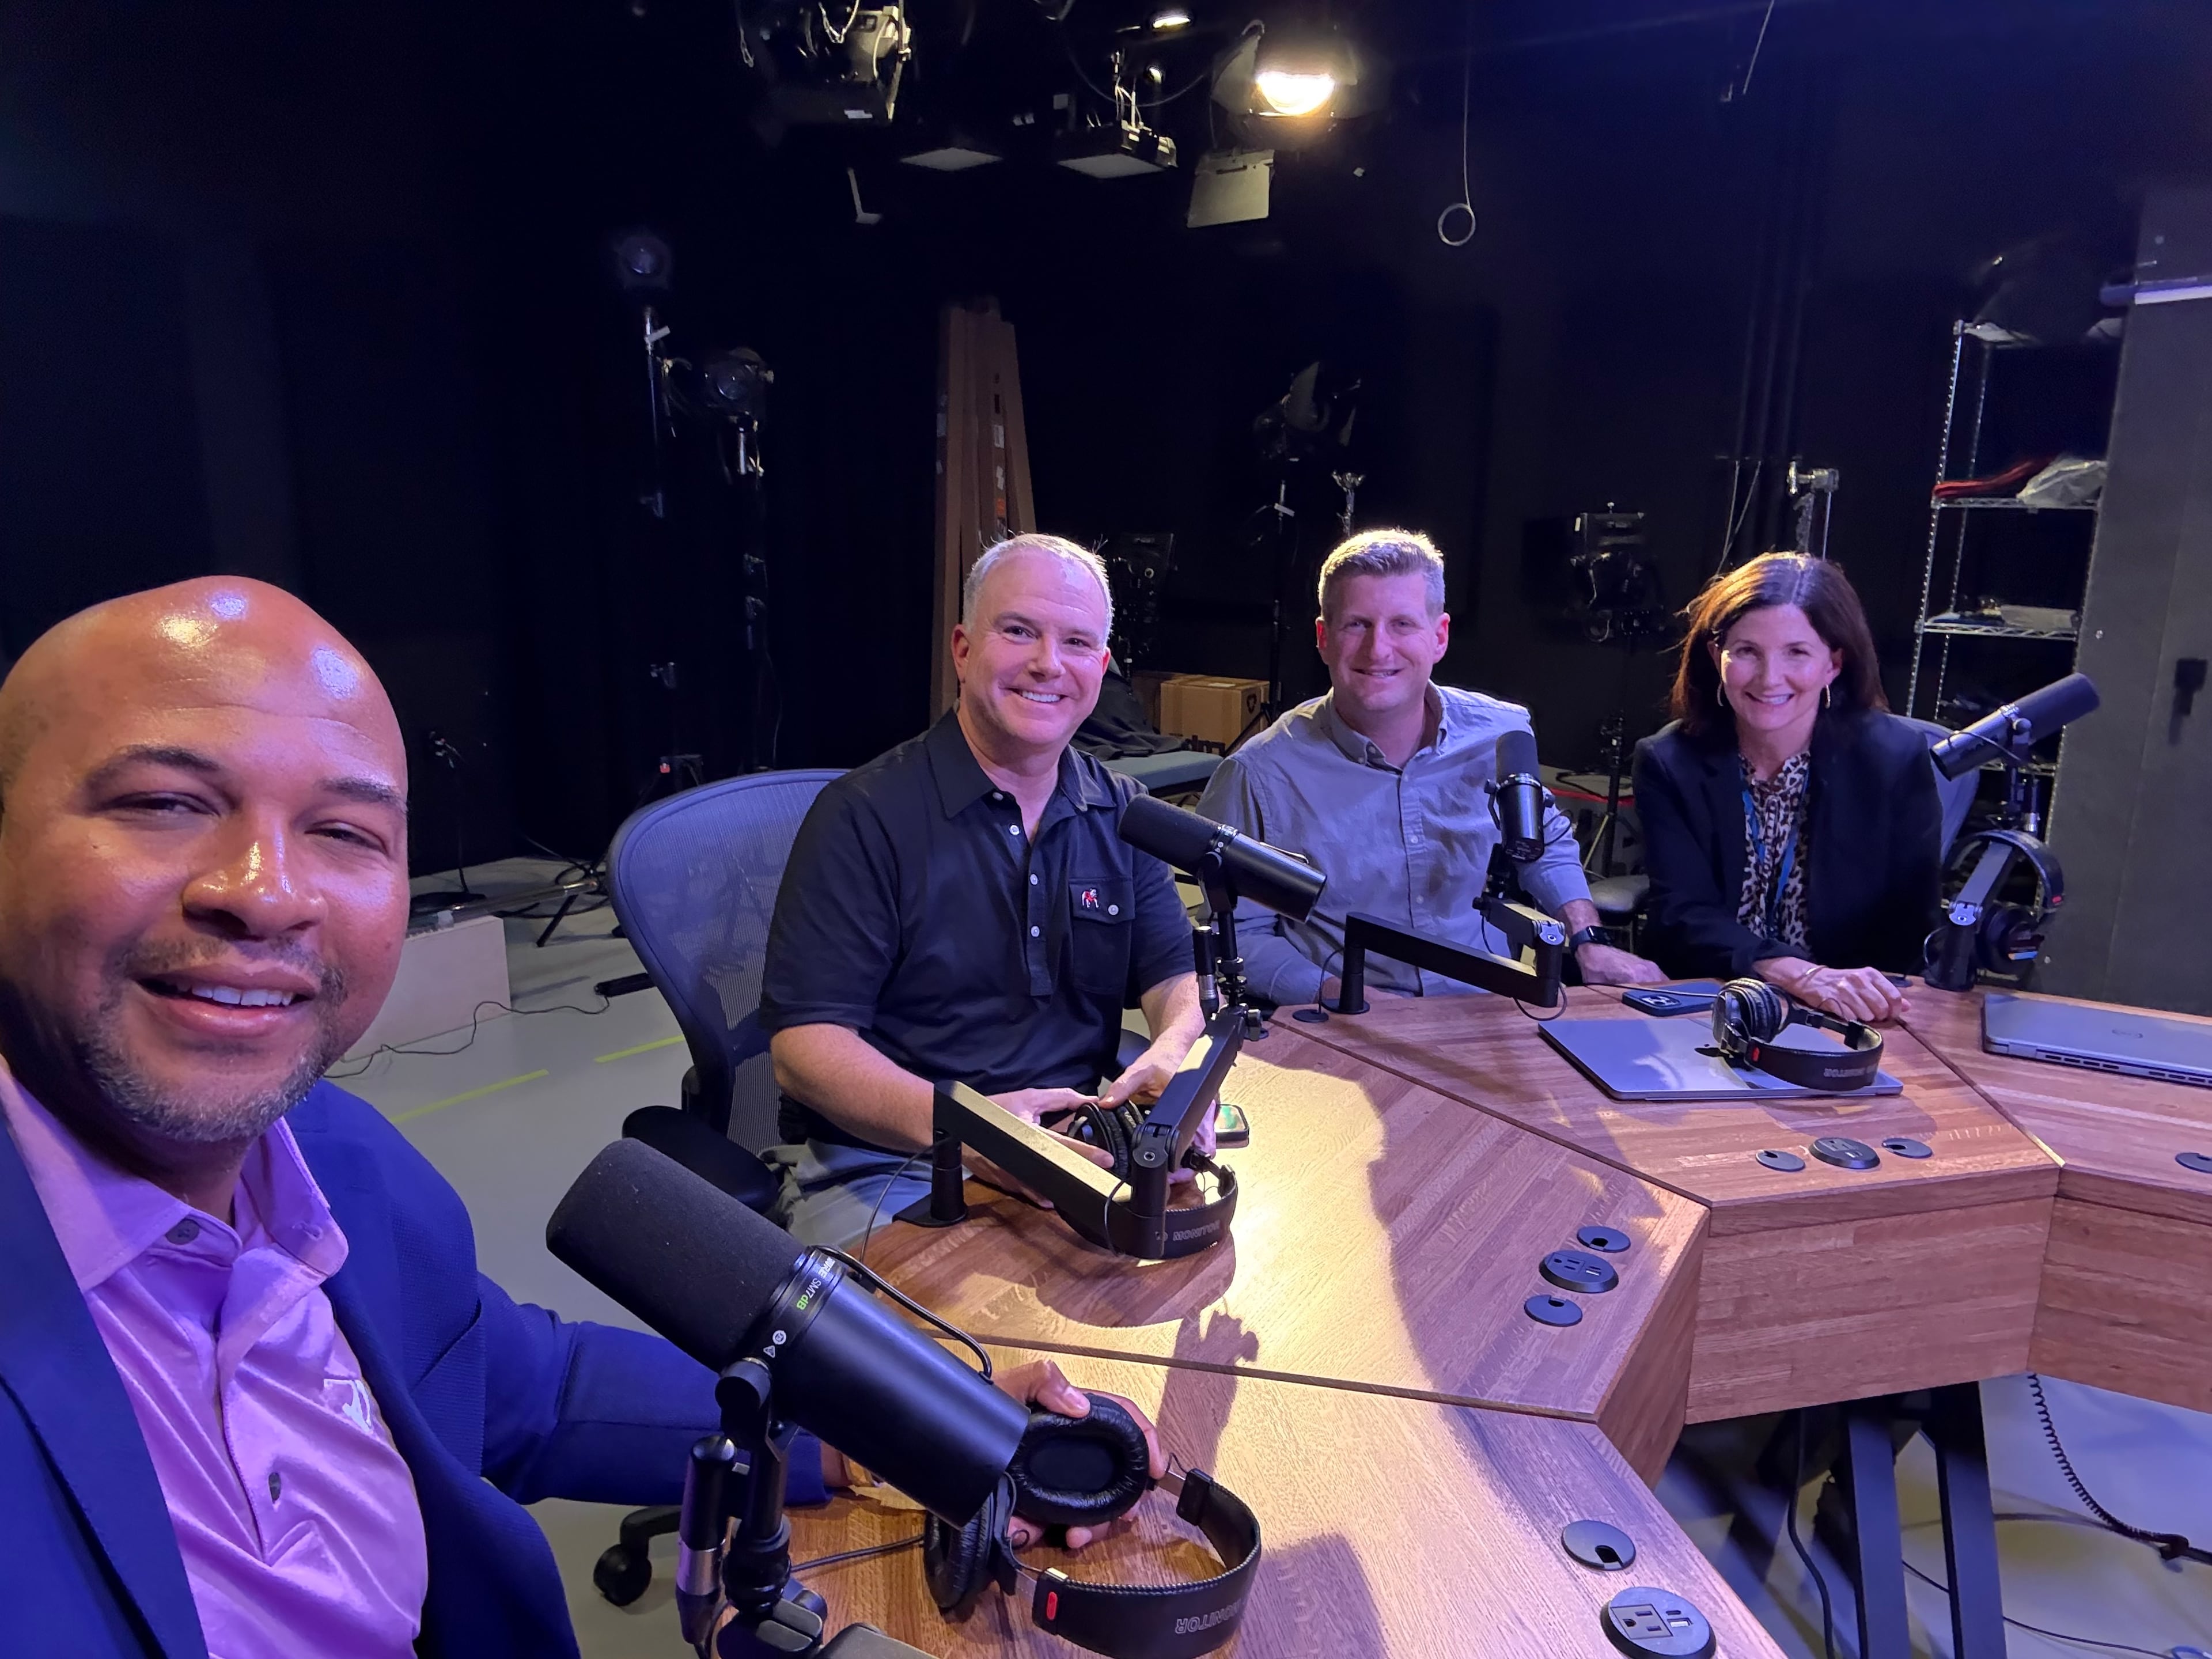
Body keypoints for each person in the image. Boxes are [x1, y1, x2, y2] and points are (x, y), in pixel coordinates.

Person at [0, 578, 1161, 1659]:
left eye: (344, 831)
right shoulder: (874, 812)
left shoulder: (341, 1161)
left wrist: (905, 1423)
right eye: (162, 804)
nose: (264, 891)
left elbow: (536, 1390)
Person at [761, 535, 1207, 1248]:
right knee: (925, 1323)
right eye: (1019, 631)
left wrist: (1174, 1055)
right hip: (893, 1162)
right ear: (963, 650)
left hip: (1073, 1141)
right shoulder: (863, 816)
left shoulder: (1123, 813)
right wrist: (972, 1133)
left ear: (1101, 668)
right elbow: (805, 1051)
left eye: (1077, 642)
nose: (1048, 663)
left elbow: (1172, 977)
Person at [1196, 529, 1667, 1003]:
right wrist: (1346, 997)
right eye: (1357, 625)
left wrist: (1589, 941)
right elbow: (1239, 936)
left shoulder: (1502, 733)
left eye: (1402, 624)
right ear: (1323, 638)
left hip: (1488, 1006)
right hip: (1345, 1019)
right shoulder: (1259, 774)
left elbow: (1543, 846)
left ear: (1439, 637)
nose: (1378, 650)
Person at [1633, 551, 1942, 1022]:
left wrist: (1852, 1000)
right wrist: (1797, 975)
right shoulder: (1668, 761)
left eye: (1796, 652)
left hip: (1848, 1011)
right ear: (1717, 656)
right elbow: (1683, 915)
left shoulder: (1893, 759)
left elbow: (1911, 927)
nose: (1769, 678)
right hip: (1706, 1000)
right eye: (1748, 652)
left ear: (1833, 664)